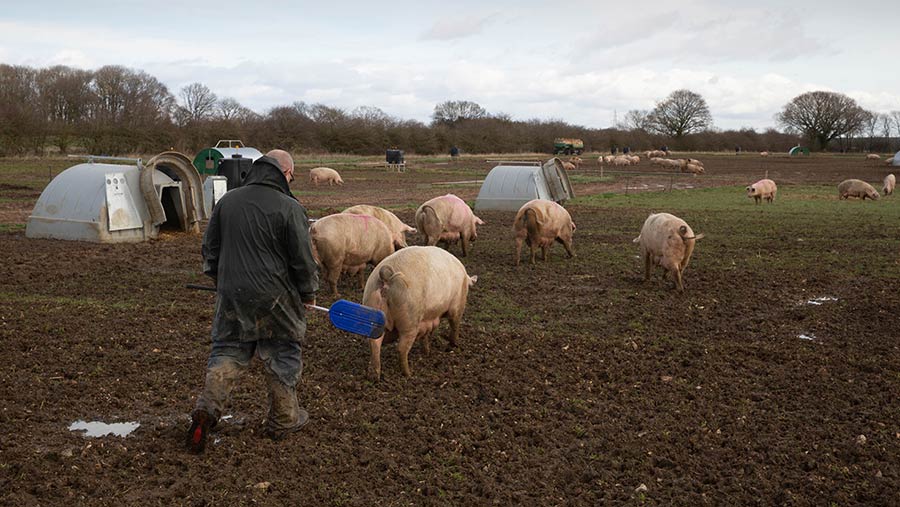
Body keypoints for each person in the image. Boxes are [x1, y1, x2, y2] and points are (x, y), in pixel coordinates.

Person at [187, 149, 319, 453]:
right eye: (293, 176)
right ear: (285, 173)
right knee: (282, 352)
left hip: (233, 295)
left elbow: (210, 250)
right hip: (278, 299)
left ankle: (206, 410)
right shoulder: (290, 207)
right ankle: (284, 419)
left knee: (228, 352)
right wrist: (308, 293)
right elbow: (303, 260)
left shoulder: (227, 202)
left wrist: (222, 283)